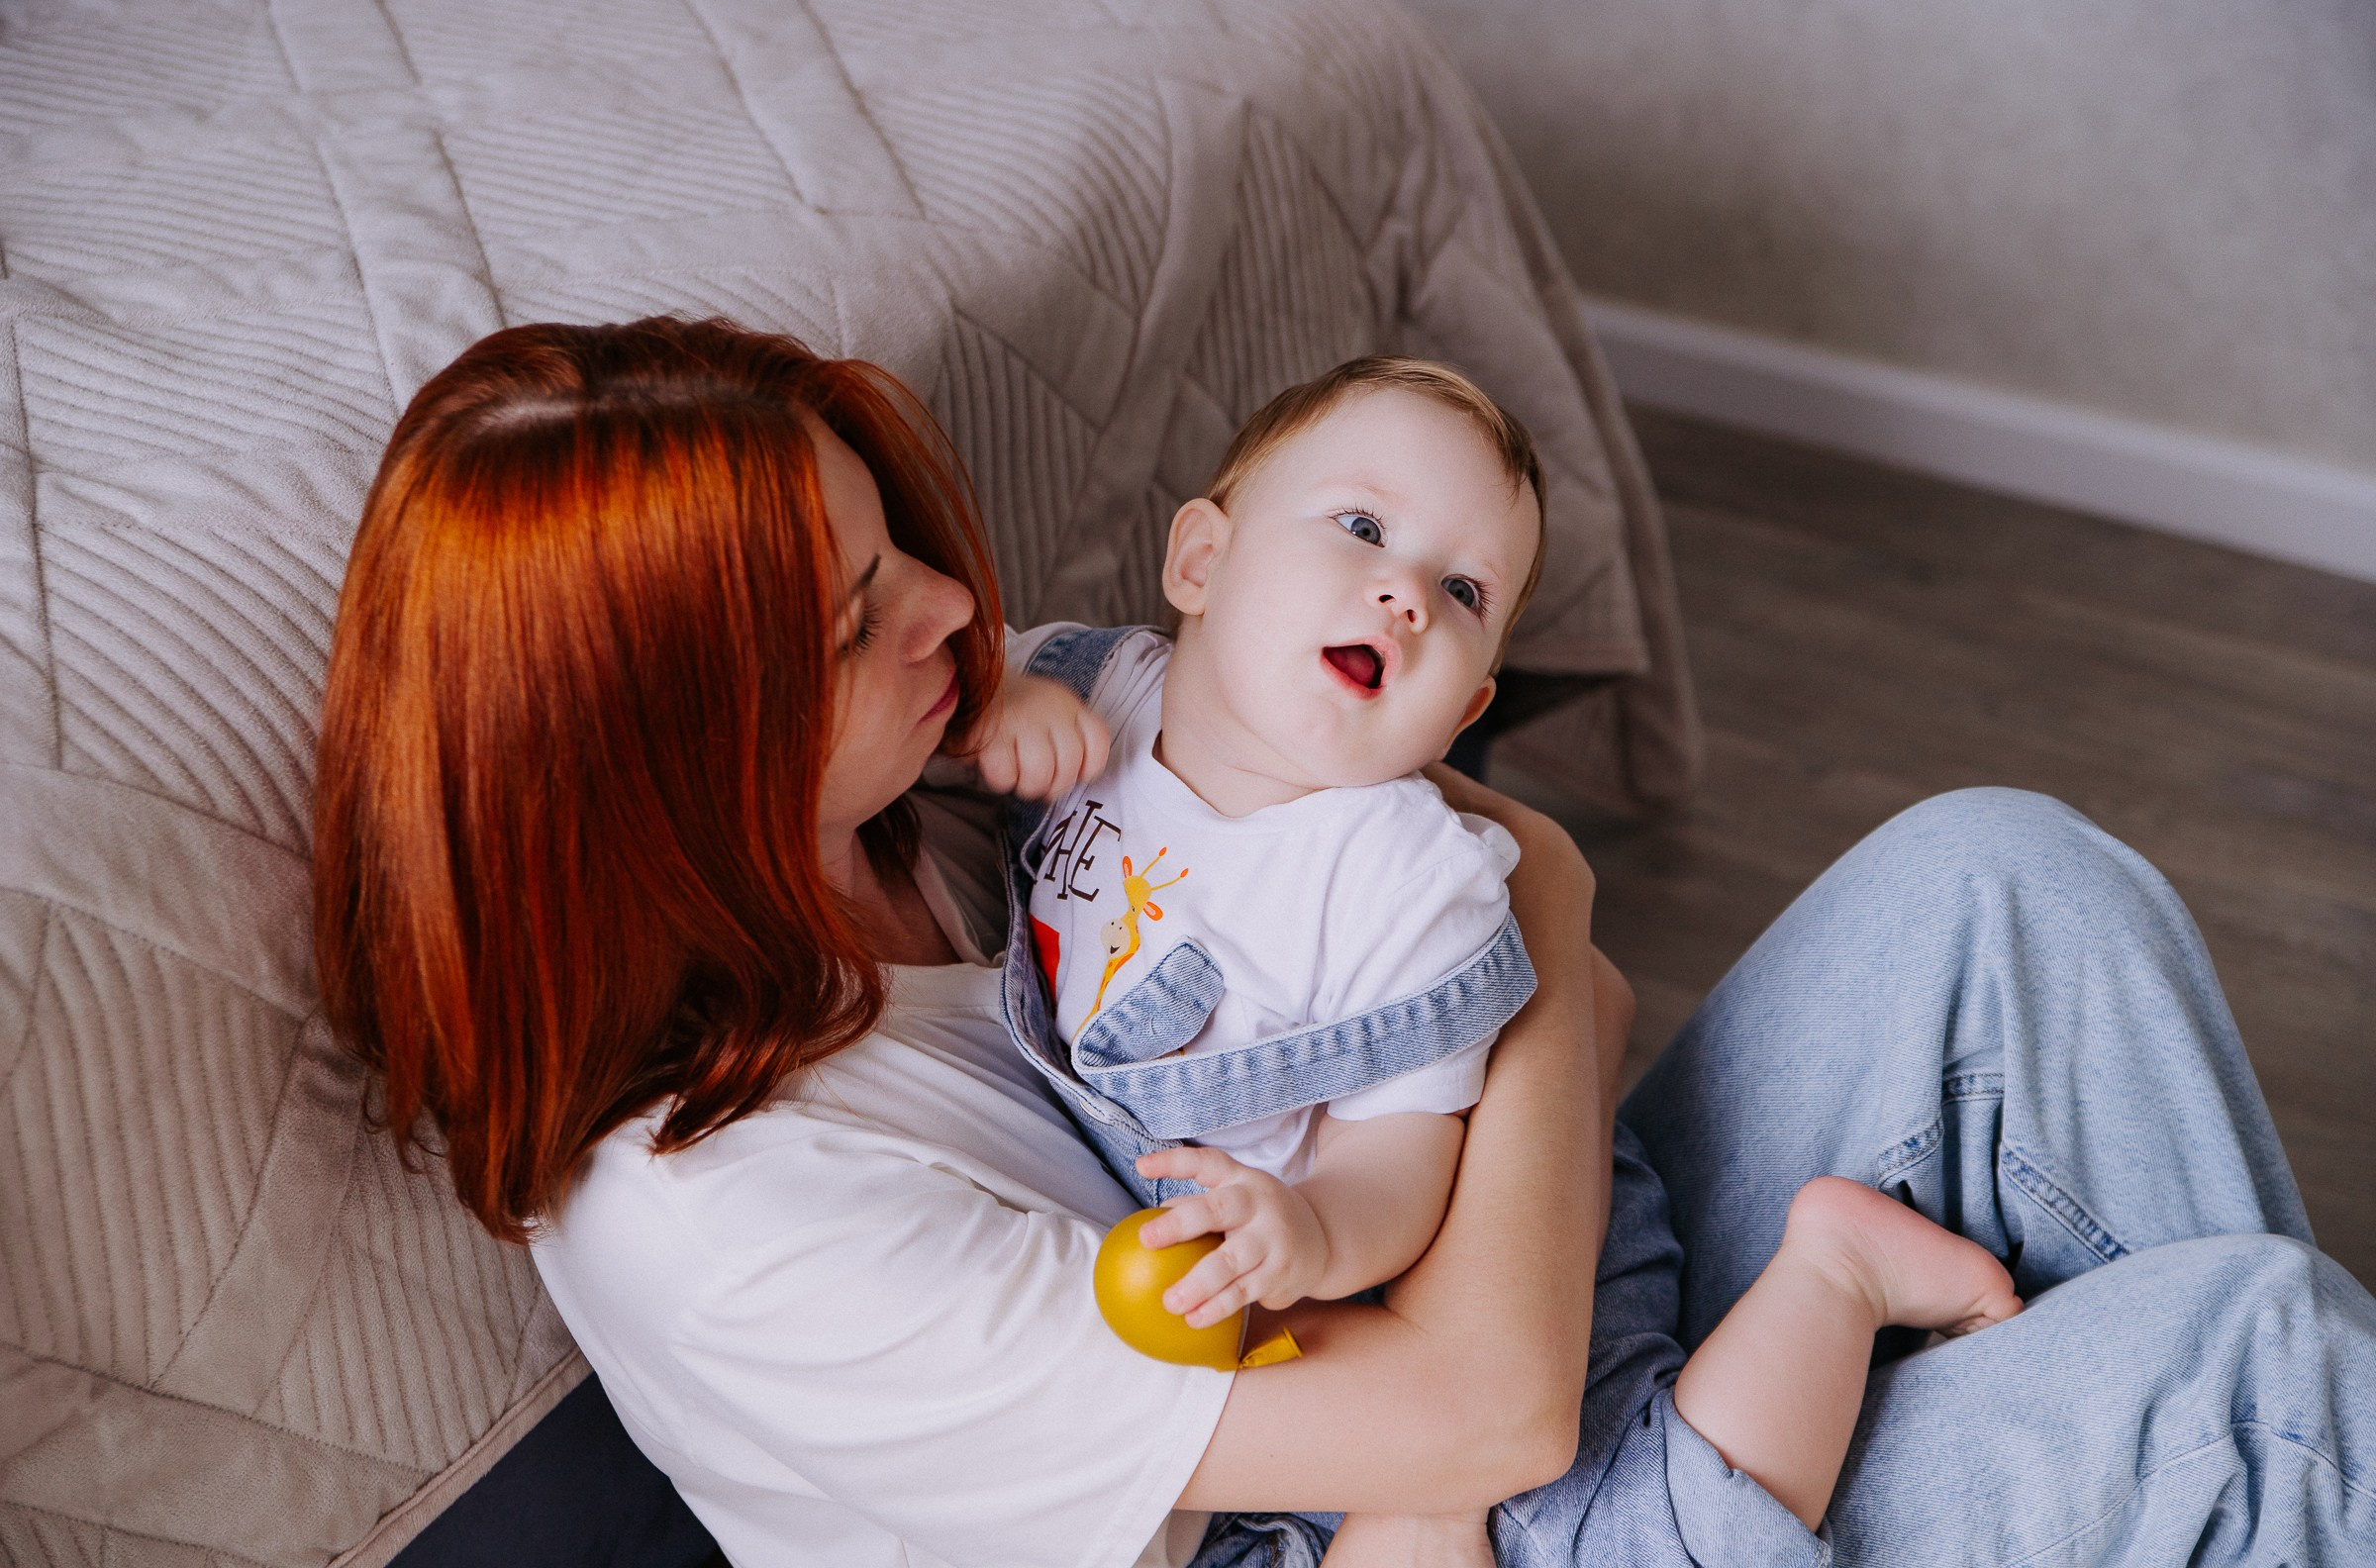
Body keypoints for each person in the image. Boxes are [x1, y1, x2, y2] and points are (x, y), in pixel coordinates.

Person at [313, 316, 2376, 1568]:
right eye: (861, 619)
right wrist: (1533, 901)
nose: (949, 606)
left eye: (896, 551)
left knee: (2006, 882)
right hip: (1395, 1515)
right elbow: (1482, 1421)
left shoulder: (938, 794)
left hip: (1439, 1322)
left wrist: (1495, 937)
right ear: (663, 764)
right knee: (2255, 1377)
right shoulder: (740, 1227)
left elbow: (1505, 969)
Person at [964, 355, 2022, 1558]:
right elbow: (920, 682)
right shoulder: (1090, 684)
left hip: (1491, 1242)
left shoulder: (1404, 877)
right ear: (1201, 561)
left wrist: (1312, 1230)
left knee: (1646, 1532)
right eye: (1362, 527)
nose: (1405, 594)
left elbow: (1400, 1164)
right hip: (1303, 1336)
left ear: (1462, 714)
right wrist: (990, 702)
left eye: (1462, 590)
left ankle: (1838, 1272)